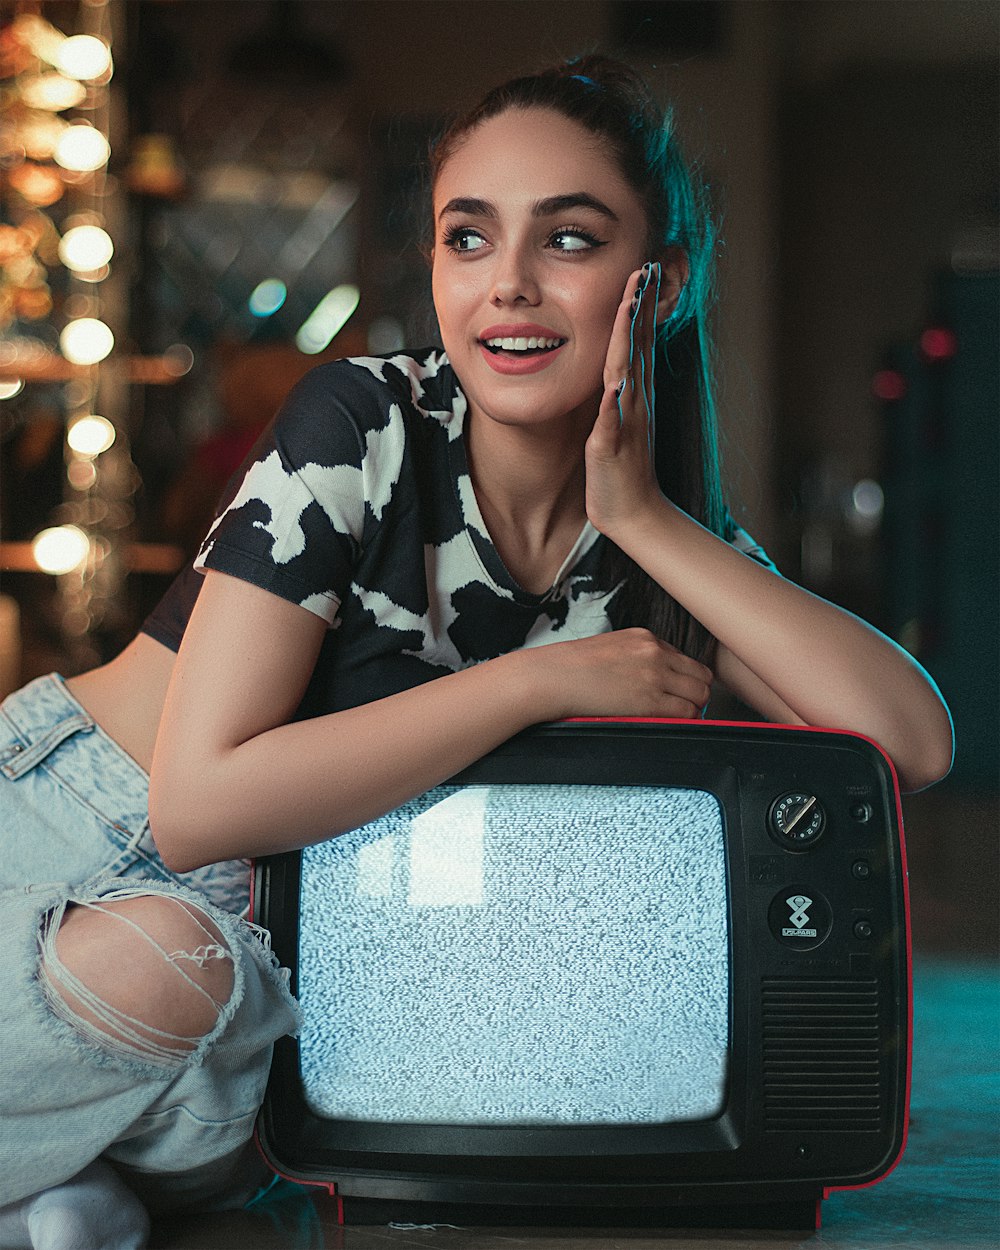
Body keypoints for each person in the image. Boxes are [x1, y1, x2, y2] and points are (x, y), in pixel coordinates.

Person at [0, 55, 953, 1250]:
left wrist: (648, 521)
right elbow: (197, 807)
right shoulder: (360, 422)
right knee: (171, 962)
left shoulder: (663, 549)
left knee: (261, 1077)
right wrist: (542, 677)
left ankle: (66, 1177)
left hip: (259, 977)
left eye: (567, 240)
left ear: (658, 285)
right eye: (467, 238)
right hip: (74, 843)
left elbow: (909, 741)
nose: (505, 285)